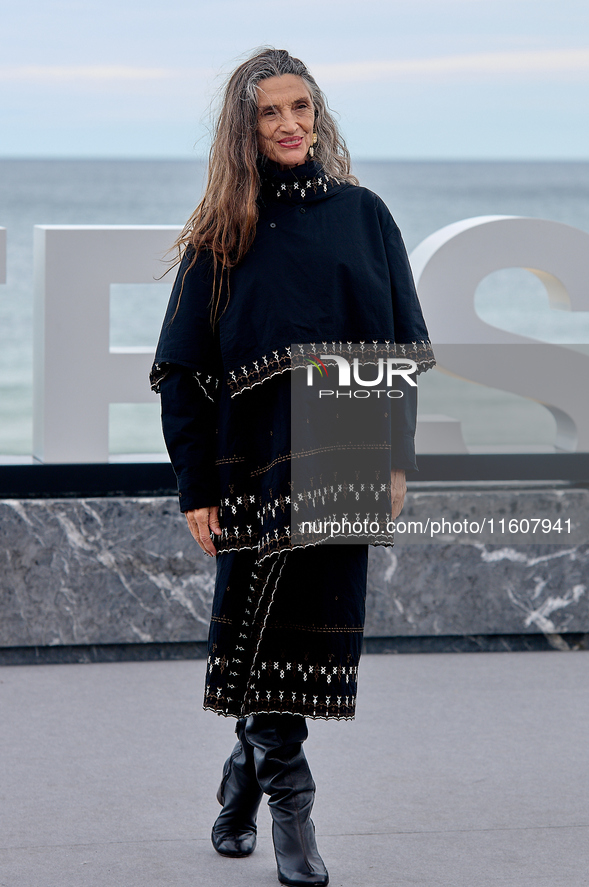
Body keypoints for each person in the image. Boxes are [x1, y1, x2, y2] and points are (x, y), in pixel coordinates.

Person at [151, 47, 434, 887]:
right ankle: (291, 808)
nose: (289, 125)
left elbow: (399, 349)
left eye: (301, 108)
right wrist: (195, 487)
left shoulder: (363, 214)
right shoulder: (221, 233)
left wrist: (395, 460)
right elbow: (180, 369)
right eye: (270, 112)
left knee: (305, 628)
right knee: (259, 618)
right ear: (244, 129)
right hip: (250, 465)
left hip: (344, 448)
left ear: (318, 115)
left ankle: (244, 772)